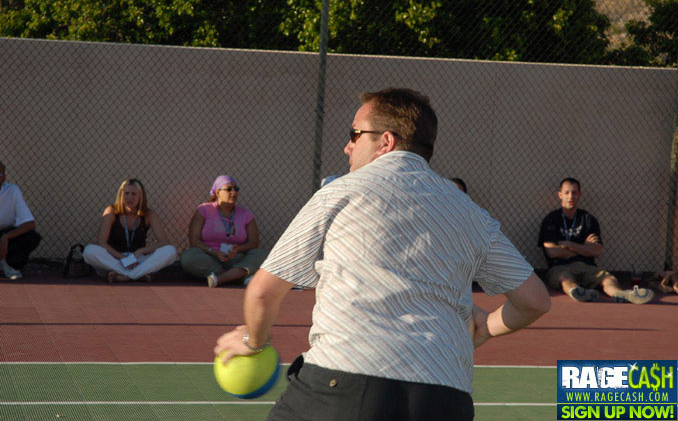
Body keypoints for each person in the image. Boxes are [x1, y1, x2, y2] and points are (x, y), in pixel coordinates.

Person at [214, 88, 551, 421]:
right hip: (446, 397)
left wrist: (253, 341)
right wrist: (486, 328)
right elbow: (535, 300)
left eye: (355, 134)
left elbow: (262, 291)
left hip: (343, 384)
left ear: (385, 142)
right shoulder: (472, 213)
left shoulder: (340, 192)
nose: (347, 145)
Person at [538, 178, 654, 304]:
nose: (571, 196)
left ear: (579, 195)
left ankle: (622, 294)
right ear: (560, 195)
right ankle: (578, 292)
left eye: (575, 193)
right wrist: (584, 248)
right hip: (560, 267)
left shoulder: (588, 219)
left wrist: (567, 245)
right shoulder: (550, 219)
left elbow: (596, 251)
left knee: (609, 278)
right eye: (567, 193)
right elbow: (552, 252)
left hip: (587, 266)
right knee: (564, 278)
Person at [83, 179, 177, 283]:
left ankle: (124, 276)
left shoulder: (149, 214)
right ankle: (138, 275)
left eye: (134, 194)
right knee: (89, 251)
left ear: (140, 196)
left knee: (170, 251)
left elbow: (164, 242)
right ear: (121, 195)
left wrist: (140, 252)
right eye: (126, 193)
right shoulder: (111, 211)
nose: (129, 197)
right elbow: (101, 243)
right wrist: (123, 258)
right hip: (115, 259)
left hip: (138, 260)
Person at [181, 175, 267, 287]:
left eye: (236, 189)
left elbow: (254, 242)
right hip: (210, 257)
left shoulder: (246, 214)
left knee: (262, 254)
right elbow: (194, 241)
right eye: (229, 189)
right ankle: (235, 277)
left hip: (236, 259)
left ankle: (221, 279)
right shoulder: (203, 210)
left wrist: (238, 249)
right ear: (217, 192)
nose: (233, 192)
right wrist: (214, 252)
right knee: (188, 257)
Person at [0, 161, 42, 280]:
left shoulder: (12, 191)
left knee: (31, 237)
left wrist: (6, 237)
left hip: (4, 233)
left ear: (3, 178)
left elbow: (30, 223)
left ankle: (9, 265)